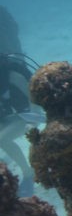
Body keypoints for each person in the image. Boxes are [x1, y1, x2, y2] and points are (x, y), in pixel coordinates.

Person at [0, 53, 36, 196]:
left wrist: (32, 122)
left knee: (2, 139)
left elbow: (34, 99)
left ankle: (28, 173)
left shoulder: (13, 74)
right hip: (9, 117)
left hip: (27, 116)